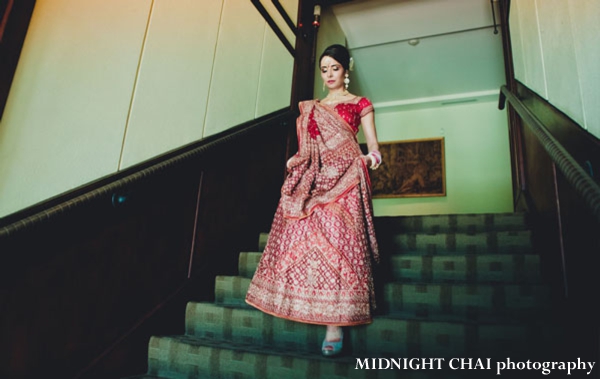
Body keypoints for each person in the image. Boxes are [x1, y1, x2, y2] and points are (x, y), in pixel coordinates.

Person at [245, 44, 381, 357]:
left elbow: (375, 149)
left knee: (341, 244)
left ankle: (335, 323)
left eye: (335, 68)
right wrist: (300, 165)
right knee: (302, 229)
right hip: (317, 179)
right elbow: (308, 150)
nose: (330, 74)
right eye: (325, 69)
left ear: (346, 70)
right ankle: (299, 299)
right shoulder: (312, 108)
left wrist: (367, 161)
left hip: (348, 177)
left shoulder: (360, 103)